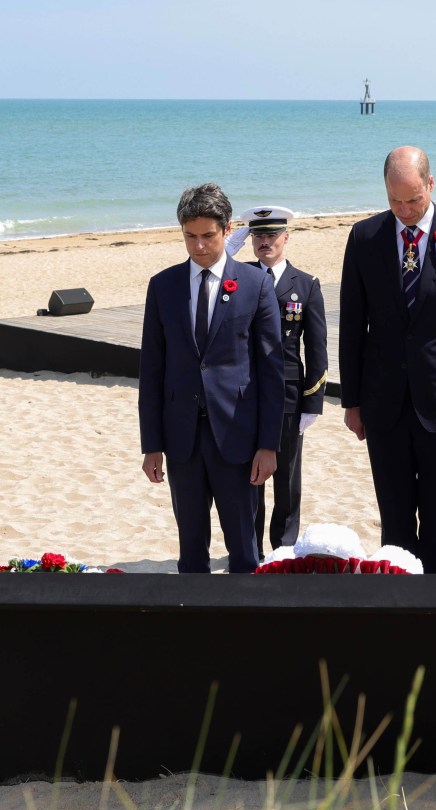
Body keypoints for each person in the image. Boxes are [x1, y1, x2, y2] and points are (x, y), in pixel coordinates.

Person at [338, 146, 436, 573]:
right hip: (383, 402)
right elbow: (353, 325)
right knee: (394, 525)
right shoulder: (365, 237)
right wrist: (351, 403)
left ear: (431, 184)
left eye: (413, 200)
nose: (405, 210)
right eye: (395, 201)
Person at [138, 183, 285, 573]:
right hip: (181, 439)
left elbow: (273, 371)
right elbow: (151, 370)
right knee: (190, 551)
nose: (199, 246)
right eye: (190, 236)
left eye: (207, 236)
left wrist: (269, 445)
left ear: (227, 229)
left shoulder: (255, 286)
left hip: (238, 439)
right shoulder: (163, 286)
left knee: (244, 550)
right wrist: (151, 444)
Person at [231, 205, 328, 558]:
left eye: (272, 235)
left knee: (286, 479)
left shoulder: (305, 284)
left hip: (288, 394)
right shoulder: (237, 276)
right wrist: (228, 250)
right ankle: (251, 548)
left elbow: (316, 348)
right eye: (257, 236)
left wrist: (313, 401)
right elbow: (204, 278)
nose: (265, 242)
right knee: (249, 476)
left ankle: (283, 549)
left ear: (286, 237)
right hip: (246, 393)